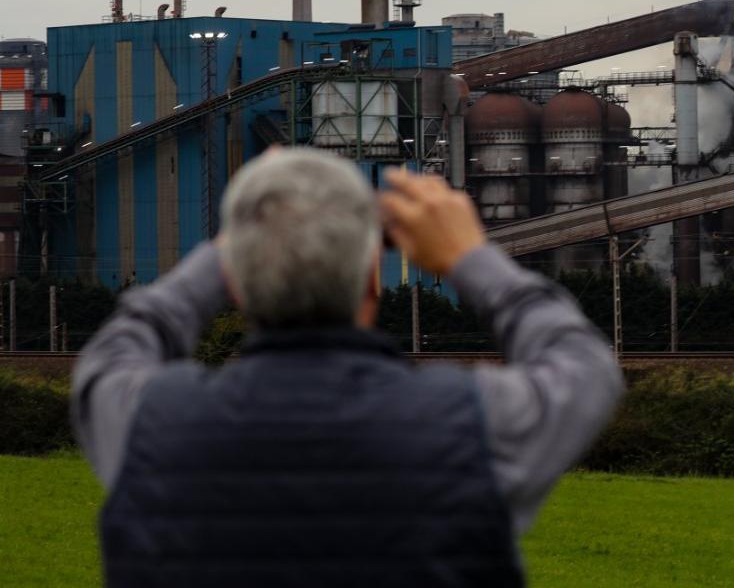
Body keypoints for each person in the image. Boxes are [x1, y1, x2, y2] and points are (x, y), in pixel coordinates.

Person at [71, 147, 624, 587]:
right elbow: (585, 364)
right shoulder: (472, 425)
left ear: (235, 282)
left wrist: (242, 239)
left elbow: (117, 346)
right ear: (371, 280)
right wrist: (468, 256)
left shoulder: (149, 425)